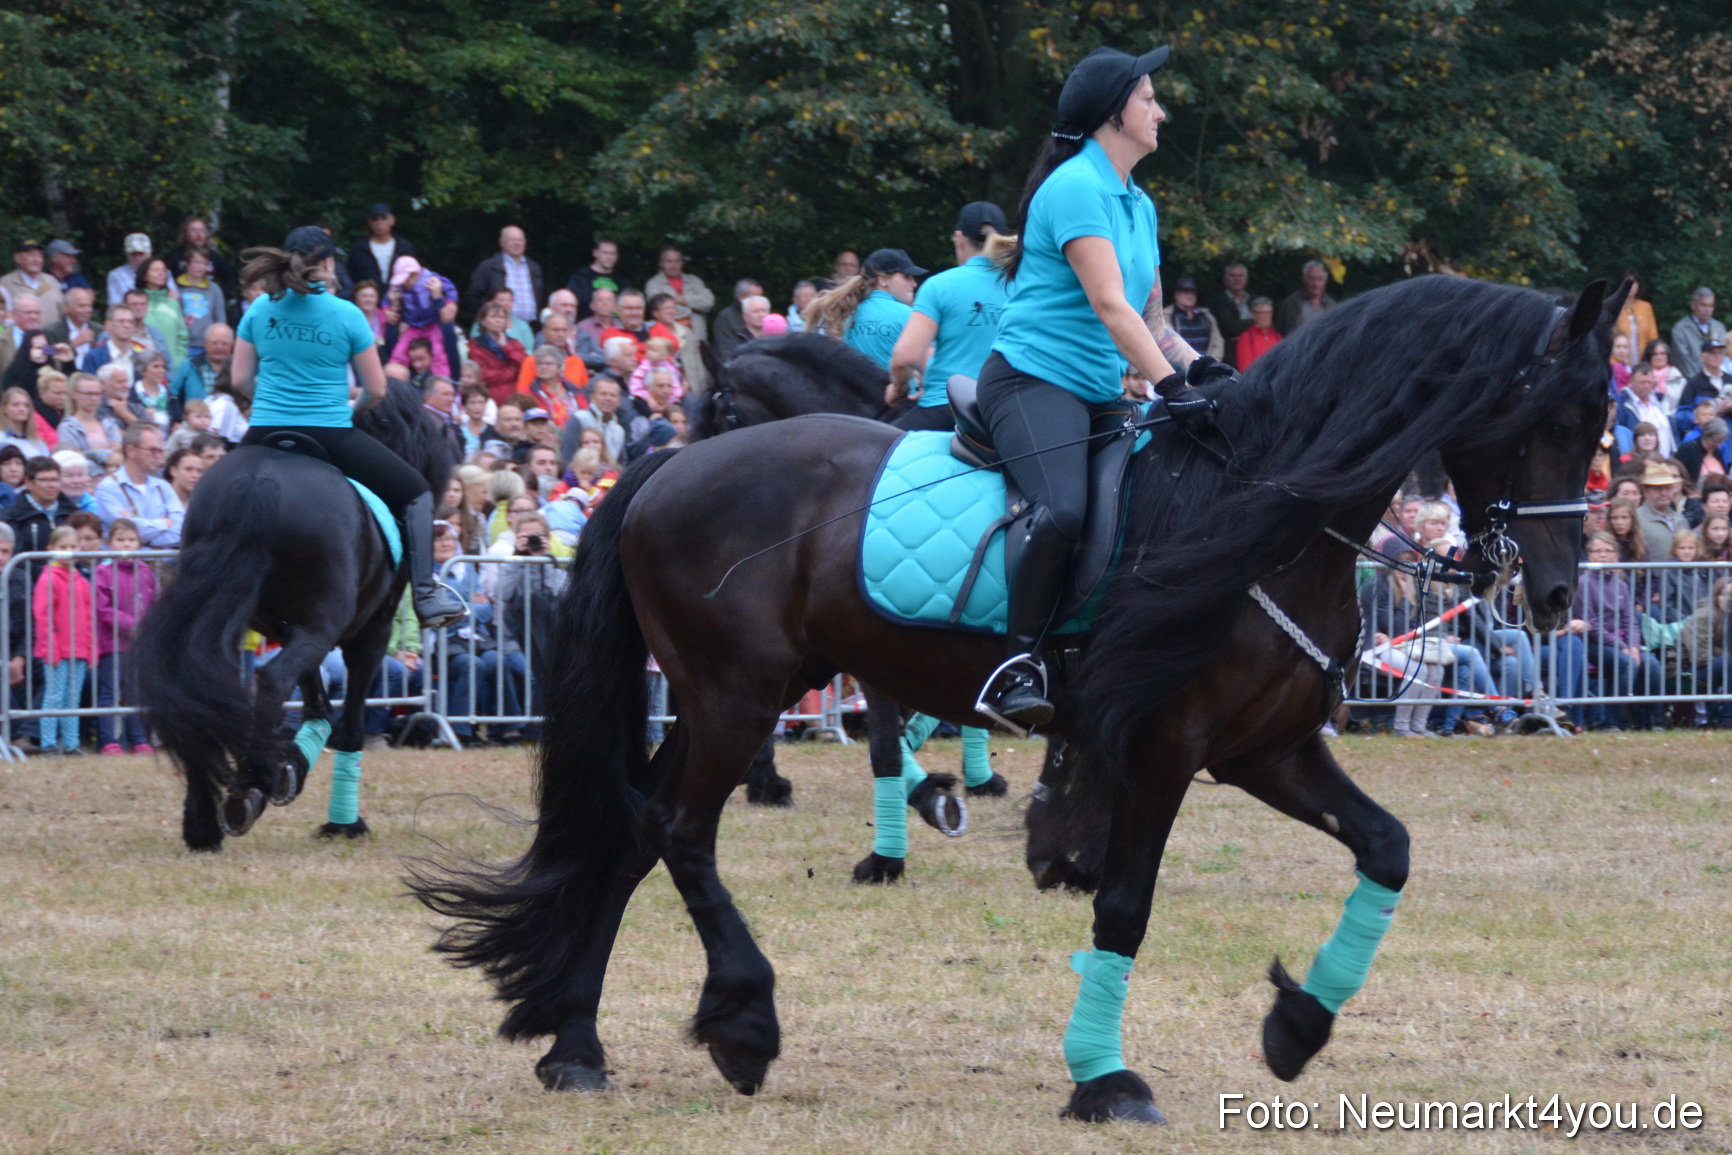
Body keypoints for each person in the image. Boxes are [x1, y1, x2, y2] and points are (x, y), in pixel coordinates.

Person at [974, 45, 1220, 730]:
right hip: (1030, 380)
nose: (1159, 111)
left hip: (1096, 390)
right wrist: (1172, 388)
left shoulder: (1137, 203)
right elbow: (1110, 306)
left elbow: (1151, 318)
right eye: (1148, 99)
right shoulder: (1078, 187)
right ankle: (1014, 667)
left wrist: (1199, 371)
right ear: (1115, 112)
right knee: (1061, 511)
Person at [231, 226, 464, 628]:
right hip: (328, 432)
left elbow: (238, 381)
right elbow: (375, 389)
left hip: (263, 432)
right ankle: (425, 596)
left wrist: (272, 402)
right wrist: (348, 409)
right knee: (417, 494)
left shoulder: (259, 309)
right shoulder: (347, 314)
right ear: (326, 264)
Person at [886, 201, 1010, 431]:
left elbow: (905, 358)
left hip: (947, 408)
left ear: (959, 238)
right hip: (1008, 411)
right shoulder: (1025, 286)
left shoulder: (939, 286)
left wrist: (899, 386)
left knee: (881, 452)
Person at [1574, 531, 1664, 730]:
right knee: (1627, 665)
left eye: (1608, 551)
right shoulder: (1583, 584)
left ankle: (1653, 721)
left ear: (1616, 555)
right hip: (1593, 643)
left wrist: (1633, 645)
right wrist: (1622, 646)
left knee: (1652, 665)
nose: (1603, 555)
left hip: (1621, 641)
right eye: (1597, 551)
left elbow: (1629, 620)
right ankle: (1611, 721)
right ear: (1589, 555)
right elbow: (1592, 625)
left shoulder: (1621, 585)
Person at [92, 517, 157, 754]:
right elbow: (103, 608)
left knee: (136, 691)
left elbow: (155, 601)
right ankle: (109, 739)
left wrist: (149, 626)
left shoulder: (146, 571)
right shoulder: (103, 572)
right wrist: (131, 625)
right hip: (113, 644)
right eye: (120, 540)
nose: (126, 545)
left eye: (131, 540)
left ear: (138, 543)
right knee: (110, 691)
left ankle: (139, 739)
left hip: (140, 645)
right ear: (109, 544)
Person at [806, 248, 924, 371]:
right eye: (906, 277)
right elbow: (931, 366)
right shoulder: (909, 316)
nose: (914, 283)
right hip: (902, 390)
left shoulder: (848, 318)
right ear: (883, 280)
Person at [32, 525, 93, 755]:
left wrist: (90, 649)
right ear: (51, 549)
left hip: (78, 651)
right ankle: (48, 743)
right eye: (63, 547)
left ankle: (71, 743)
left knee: (72, 700)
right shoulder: (48, 579)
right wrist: (50, 650)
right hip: (56, 651)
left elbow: (88, 618)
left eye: (73, 547)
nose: (68, 551)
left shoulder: (81, 581)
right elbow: (43, 616)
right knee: (54, 698)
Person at [94, 422, 179, 546]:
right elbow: (124, 532)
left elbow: (181, 530)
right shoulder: (108, 488)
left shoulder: (164, 487)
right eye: (153, 450)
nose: (158, 456)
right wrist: (164, 523)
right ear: (131, 450)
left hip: (166, 564)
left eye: (160, 451)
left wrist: (142, 536)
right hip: (126, 564)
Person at [386, 256, 457, 377]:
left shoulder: (430, 279)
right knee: (400, 350)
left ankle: (442, 379)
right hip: (413, 325)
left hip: (432, 323)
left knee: (438, 351)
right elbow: (386, 299)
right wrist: (387, 310)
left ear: (415, 275)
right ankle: (394, 380)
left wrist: (450, 303)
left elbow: (450, 289)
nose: (404, 283)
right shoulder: (399, 287)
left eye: (406, 279)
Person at [2, 454, 78, 554]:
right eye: (44, 480)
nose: (51, 485)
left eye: (55, 480)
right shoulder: (11, 517)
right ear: (28, 482)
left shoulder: (72, 513)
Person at [468, 226, 542, 326]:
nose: (517, 244)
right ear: (502, 243)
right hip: (498, 327)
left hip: (530, 327)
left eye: (520, 240)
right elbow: (473, 297)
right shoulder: (488, 267)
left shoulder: (534, 267)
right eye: (512, 240)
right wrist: (489, 317)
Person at [643, 244, 715, 342]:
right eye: (669, 261)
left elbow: (708, 302)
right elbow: (658, 310)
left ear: (682, 263)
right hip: (668, 341)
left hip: (698, 339)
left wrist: (681, 300)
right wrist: (693, 310)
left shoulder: (694, 281)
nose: (673, 265)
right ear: (661, 263)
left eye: (677, 261)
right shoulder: (653, 284)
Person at [165, 216, 237, 302]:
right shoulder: (174, 257)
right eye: (193, 231)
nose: (199, 235)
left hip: (207, 302)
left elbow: (230, 278)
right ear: (185, 234)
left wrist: (218, 296)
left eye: (202, 231)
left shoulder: (214, 257)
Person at [469, 301, 528, 404]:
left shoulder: (514, 343)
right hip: (490, 399)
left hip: (515, 399)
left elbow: (525, 366)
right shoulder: (475, 345)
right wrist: (510, 371)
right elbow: (483, 375)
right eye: (493, 317)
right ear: (483, 321)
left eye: (501, 317)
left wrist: (506, 347)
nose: (498, 321)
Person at [134, 257, 189, 366]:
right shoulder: (136, 303)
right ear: (144, 275)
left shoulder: (173, 303)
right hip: (142, 366)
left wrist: (178, 361)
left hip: (171, 367)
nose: (161, 273)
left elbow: (183, 336)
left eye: (163, 270)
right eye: (155, 270)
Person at [57, 372, 121, 463]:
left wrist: (88, 454)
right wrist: (107, 455)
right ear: (74, 395)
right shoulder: (67, 427)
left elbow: (118, 455)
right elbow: (74, 458)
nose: (94, 399)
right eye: (88, 394)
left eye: (97, 394)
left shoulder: (110, 423)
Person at [347, 203, 416, 289]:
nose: (379, 223)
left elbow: (413, 275)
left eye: (384, 218)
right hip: (368, 298)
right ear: (369, 222)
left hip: (398, 298)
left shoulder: (404, 247)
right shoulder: (359, 249)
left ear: (392, 220)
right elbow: (351, 277)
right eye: (375, 219)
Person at [2, 240, 64, 332]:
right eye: (31, 255)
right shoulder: (5, 284)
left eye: (39, 256)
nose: (36, 260)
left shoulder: (52, 282)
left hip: (51, 342)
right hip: (19, 343)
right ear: (17, 258)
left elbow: (63, 314)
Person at [566, 236, 633, 320]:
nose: (609, 257)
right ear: (595, 253)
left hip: (616, 327)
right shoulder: (580, 277)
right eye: (605, 253)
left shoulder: (622, 280)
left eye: (612, 254)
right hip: (587, 327)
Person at [168, 322, 233, 407]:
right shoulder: (189, 365)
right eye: (214, 343)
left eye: (224, 344)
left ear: (232, 346)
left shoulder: (238, 370)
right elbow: (172, 395)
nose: (219, 347)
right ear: (205, 343)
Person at [1617, 362, 1674, 456]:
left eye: (1649, 382)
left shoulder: (1661, 402)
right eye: (1642, 382)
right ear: (1631, 382)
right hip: (1638, 462)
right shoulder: (1623, 406)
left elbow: (1672, 433)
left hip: (1666, 460)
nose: (1646, 386)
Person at [1671, 288, 1726, 381]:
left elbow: (1724, 357)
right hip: (1692, 383)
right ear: (1693, 306)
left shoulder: (1720, 328)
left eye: (1710, 306)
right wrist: (1703, 381)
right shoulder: (1680, 329)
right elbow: (1684, 362)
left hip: (1719, 381)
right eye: (1703, 305)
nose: (1707, 310)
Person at [1162, 275, 1222, 359]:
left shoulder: (1206, 316)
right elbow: (1166, 343)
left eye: (1193, 292)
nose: (1190, 296)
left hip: (1206, 367)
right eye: (1186, 292)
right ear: (1176, 294)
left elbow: (1217, 343)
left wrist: (1211, 364)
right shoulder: (1166, 316)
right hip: (1178, 366)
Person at [1274, 260, 1337, 335]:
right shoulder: (1291, 303)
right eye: (1311, 279)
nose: (1316, 284)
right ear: (1304, 280)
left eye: (1320, 280)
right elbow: (1279, 332)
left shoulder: (1332, 305)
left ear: (1325, 282)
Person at [1614, 270, 1660, 371]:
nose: (1631, 286)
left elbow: (1653, 338)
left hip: (1644, 364)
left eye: (1634, 282)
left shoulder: (1646, 307)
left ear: (1638, 285)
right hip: (1619, 365)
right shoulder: (1614, 307)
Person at [709, 278, 763, 361]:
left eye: (761, 297)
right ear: (741, 298)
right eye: (755, 297)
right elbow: (725, 353)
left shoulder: (765, 316)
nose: (760, 301)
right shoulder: (725, 318)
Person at [45, 287, 102, 363]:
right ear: (66, 306)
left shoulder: (99, 330)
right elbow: (45, 352)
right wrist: (72, 345)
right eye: (81, 306)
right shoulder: (51, 331)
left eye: (89, 306)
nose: (87, 310)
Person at [1208, 262, 1254, 346]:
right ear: (1225, 280)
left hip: (1255, 345)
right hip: (1231, 348)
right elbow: (1230, 327)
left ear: (1246, 279)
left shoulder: (1254, 300)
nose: (1237, 279)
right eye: (1233, 276)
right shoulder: (1218, 301)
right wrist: (1255, 321)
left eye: (1240, 276)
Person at [0, 387, 50, 457]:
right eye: (15, 405)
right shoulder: (2, 438)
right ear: (4, 408)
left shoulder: (39, 443)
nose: (22, 409)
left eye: (26, 405)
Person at [1234, 296, 1280, 370]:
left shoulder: (1277, 337)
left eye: (1269, 312)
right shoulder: (1247, 337)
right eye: (1262, 313)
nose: (1266, 316)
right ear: (1253, 315)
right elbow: (1245, 368)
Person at [107, 234, 153, 307]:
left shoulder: (162, 273)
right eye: (133, 254)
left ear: (149, 253)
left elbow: (173, 297)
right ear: (127, 254)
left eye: (141, 254)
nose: (137, 258)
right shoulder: (117, 275)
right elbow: (116, 305)